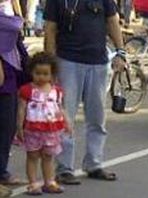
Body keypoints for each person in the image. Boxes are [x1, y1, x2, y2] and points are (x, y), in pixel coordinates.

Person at [44, 0, 126, 184]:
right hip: (68, 61)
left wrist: (121, 52)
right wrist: (49, 63)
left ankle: (94, 163)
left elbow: (112, 20)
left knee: (97, 117)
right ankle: (64, 168)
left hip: (98, 61)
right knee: (66, 117)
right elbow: (50, 28)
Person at [16, 52, 70, 195]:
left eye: (45, 74)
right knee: (33, 156)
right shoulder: (26, 90)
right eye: (37, 73)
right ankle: (33, 183)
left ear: (52, 75)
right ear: (31, 72)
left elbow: (61, 108)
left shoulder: (56, 91)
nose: (41, 77)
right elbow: (21, 110)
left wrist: (67, 124)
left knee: (48, 156)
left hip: (51, 130)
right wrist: (19, 127)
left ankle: (49, 181)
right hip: (32, 129)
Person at [0, 10, 26, 186]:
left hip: (10, 72)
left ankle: (2, 170)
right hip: (3, 71)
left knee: (7, 126)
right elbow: (14, 25)